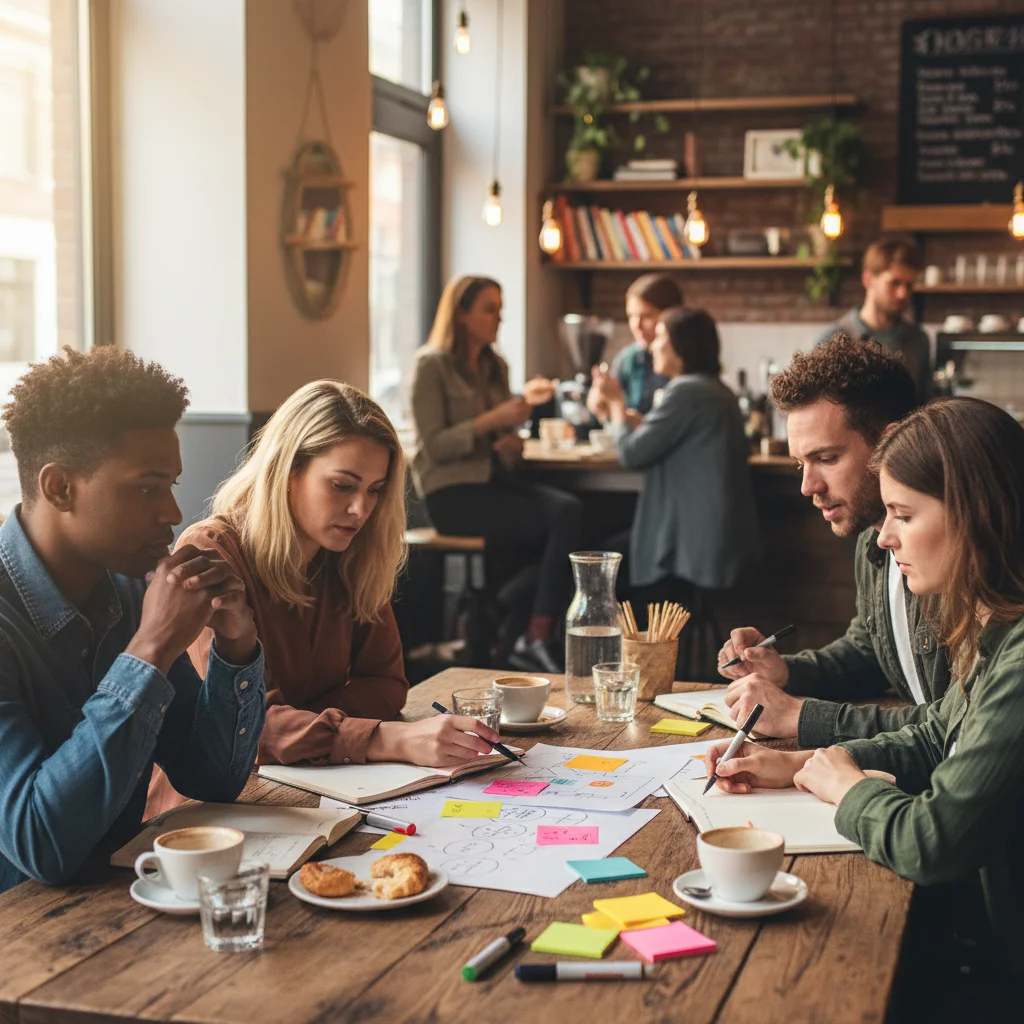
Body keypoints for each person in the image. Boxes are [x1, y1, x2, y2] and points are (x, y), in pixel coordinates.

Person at [706, 397, 1024, 996]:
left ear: (976, 516)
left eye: (903, 514)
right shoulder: (1000, 631)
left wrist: (848, 786)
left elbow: (931, 842)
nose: (883, 538)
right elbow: (937, 734)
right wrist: (796, 766)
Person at [146, 381, 502, 818]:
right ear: (287, 470)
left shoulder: (354, 555)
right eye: (341, 485)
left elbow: (387, 687)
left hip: (320, 788)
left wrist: (299, 724)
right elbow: (241, 731)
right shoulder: (212, 552)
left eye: (374, 489)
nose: (361, 509)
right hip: (209, 813)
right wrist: (379, 737)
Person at [0, 347, 265, 893]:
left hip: (119, 914)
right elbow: (40, 846)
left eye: (170, 484)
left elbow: (210, 778)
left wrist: (235, 646)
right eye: (146, 488)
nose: (171, 512)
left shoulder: (125, 589)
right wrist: (149, 649)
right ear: (59, 488)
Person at [718, 333, 950, 743]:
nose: (807, 486)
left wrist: (800, 716)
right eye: (799, 464)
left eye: (826, 459)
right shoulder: (870, 540)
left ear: (890, 442)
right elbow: (872, 652)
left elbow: (955, 726)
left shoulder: (952, 550)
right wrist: (784, 670)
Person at [410, 275, 581, 675]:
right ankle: (530, 631)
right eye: (490, 309)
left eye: (501, 311)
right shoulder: (430, 366)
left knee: (571, 515)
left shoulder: (495, 366)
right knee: (560, 523)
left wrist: (510, 442)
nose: (498, 319)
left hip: (493, 484)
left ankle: (510, 613)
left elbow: (503, 443)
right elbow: (434, 446)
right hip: (450, 492)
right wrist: (492, 421)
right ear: (462, 313)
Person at [592, 308, 760, 605]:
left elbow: (631, 454)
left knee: (593, 563)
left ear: (683, 347)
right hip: (713, 539)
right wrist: (629, 419)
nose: (653, 346)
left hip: (689, 547)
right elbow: (668, 437)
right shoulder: (714, 389)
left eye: (660, 337)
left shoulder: (686, 391)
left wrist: (617, 403)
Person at [815, 236, 931, 400]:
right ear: (868, 280)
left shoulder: (919, 341)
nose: (903, 293)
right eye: (894, 283)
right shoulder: (833, 340)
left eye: (909, 285)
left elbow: (926, 407)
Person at [588, 273, 683, 424]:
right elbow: (608, 418)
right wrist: (600, 405)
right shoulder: (628, 359)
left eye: (646, 316)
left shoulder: (688, 361)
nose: (636, 326)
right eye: (631, 316)